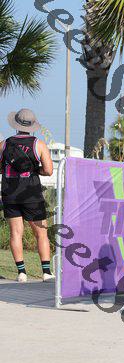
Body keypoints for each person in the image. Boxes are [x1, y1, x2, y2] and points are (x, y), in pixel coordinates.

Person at [2, 109, 54, 283]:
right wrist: (36, 170)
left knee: (16, 233)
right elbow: (49, 170)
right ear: (32, 125)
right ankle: (46, 273)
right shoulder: (38, 144)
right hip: (32, 195)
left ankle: (21, 273)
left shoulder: (4, 144)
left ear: (15, 125)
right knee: (41, 233)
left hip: (10, 194)